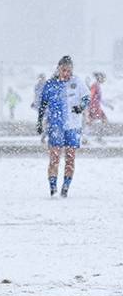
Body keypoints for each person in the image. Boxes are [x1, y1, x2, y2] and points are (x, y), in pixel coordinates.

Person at [37, 56, 90, 198]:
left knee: (70, 158)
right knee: (54, 158)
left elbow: (86, 97)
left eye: (69, 71)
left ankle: (65, 187)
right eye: (64, 70)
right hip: (56, 126)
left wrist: (81, 107)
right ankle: (53, 188)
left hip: (73, 126)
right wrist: (39, 121)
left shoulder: (77, 82)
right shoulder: (50, 84)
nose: (66, 73)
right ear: (58, 69)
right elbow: (42, 104)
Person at [87, 72, 112, 143]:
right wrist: (91, 107)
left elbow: (99, 99)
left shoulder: (97, 85)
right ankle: (95, 137)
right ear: (99, 78)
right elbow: (91, 97)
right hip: (95, 107)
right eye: (103, 78)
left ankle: (90, 137)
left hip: (96, 107)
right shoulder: (95, 86)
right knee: (102, 121)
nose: (104, 79)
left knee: (91, 123)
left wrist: (108, 105)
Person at [32, 74, 48, 143]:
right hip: (40, 106)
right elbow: (36, 96)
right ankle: (44, 134)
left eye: (42, 78)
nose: (41, 80)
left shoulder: (47, 86)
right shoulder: (37, 86)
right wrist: (34, 103)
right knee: (44, 121)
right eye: (40, 78)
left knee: (47, 121)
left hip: (46, 106)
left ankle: (44, 135)